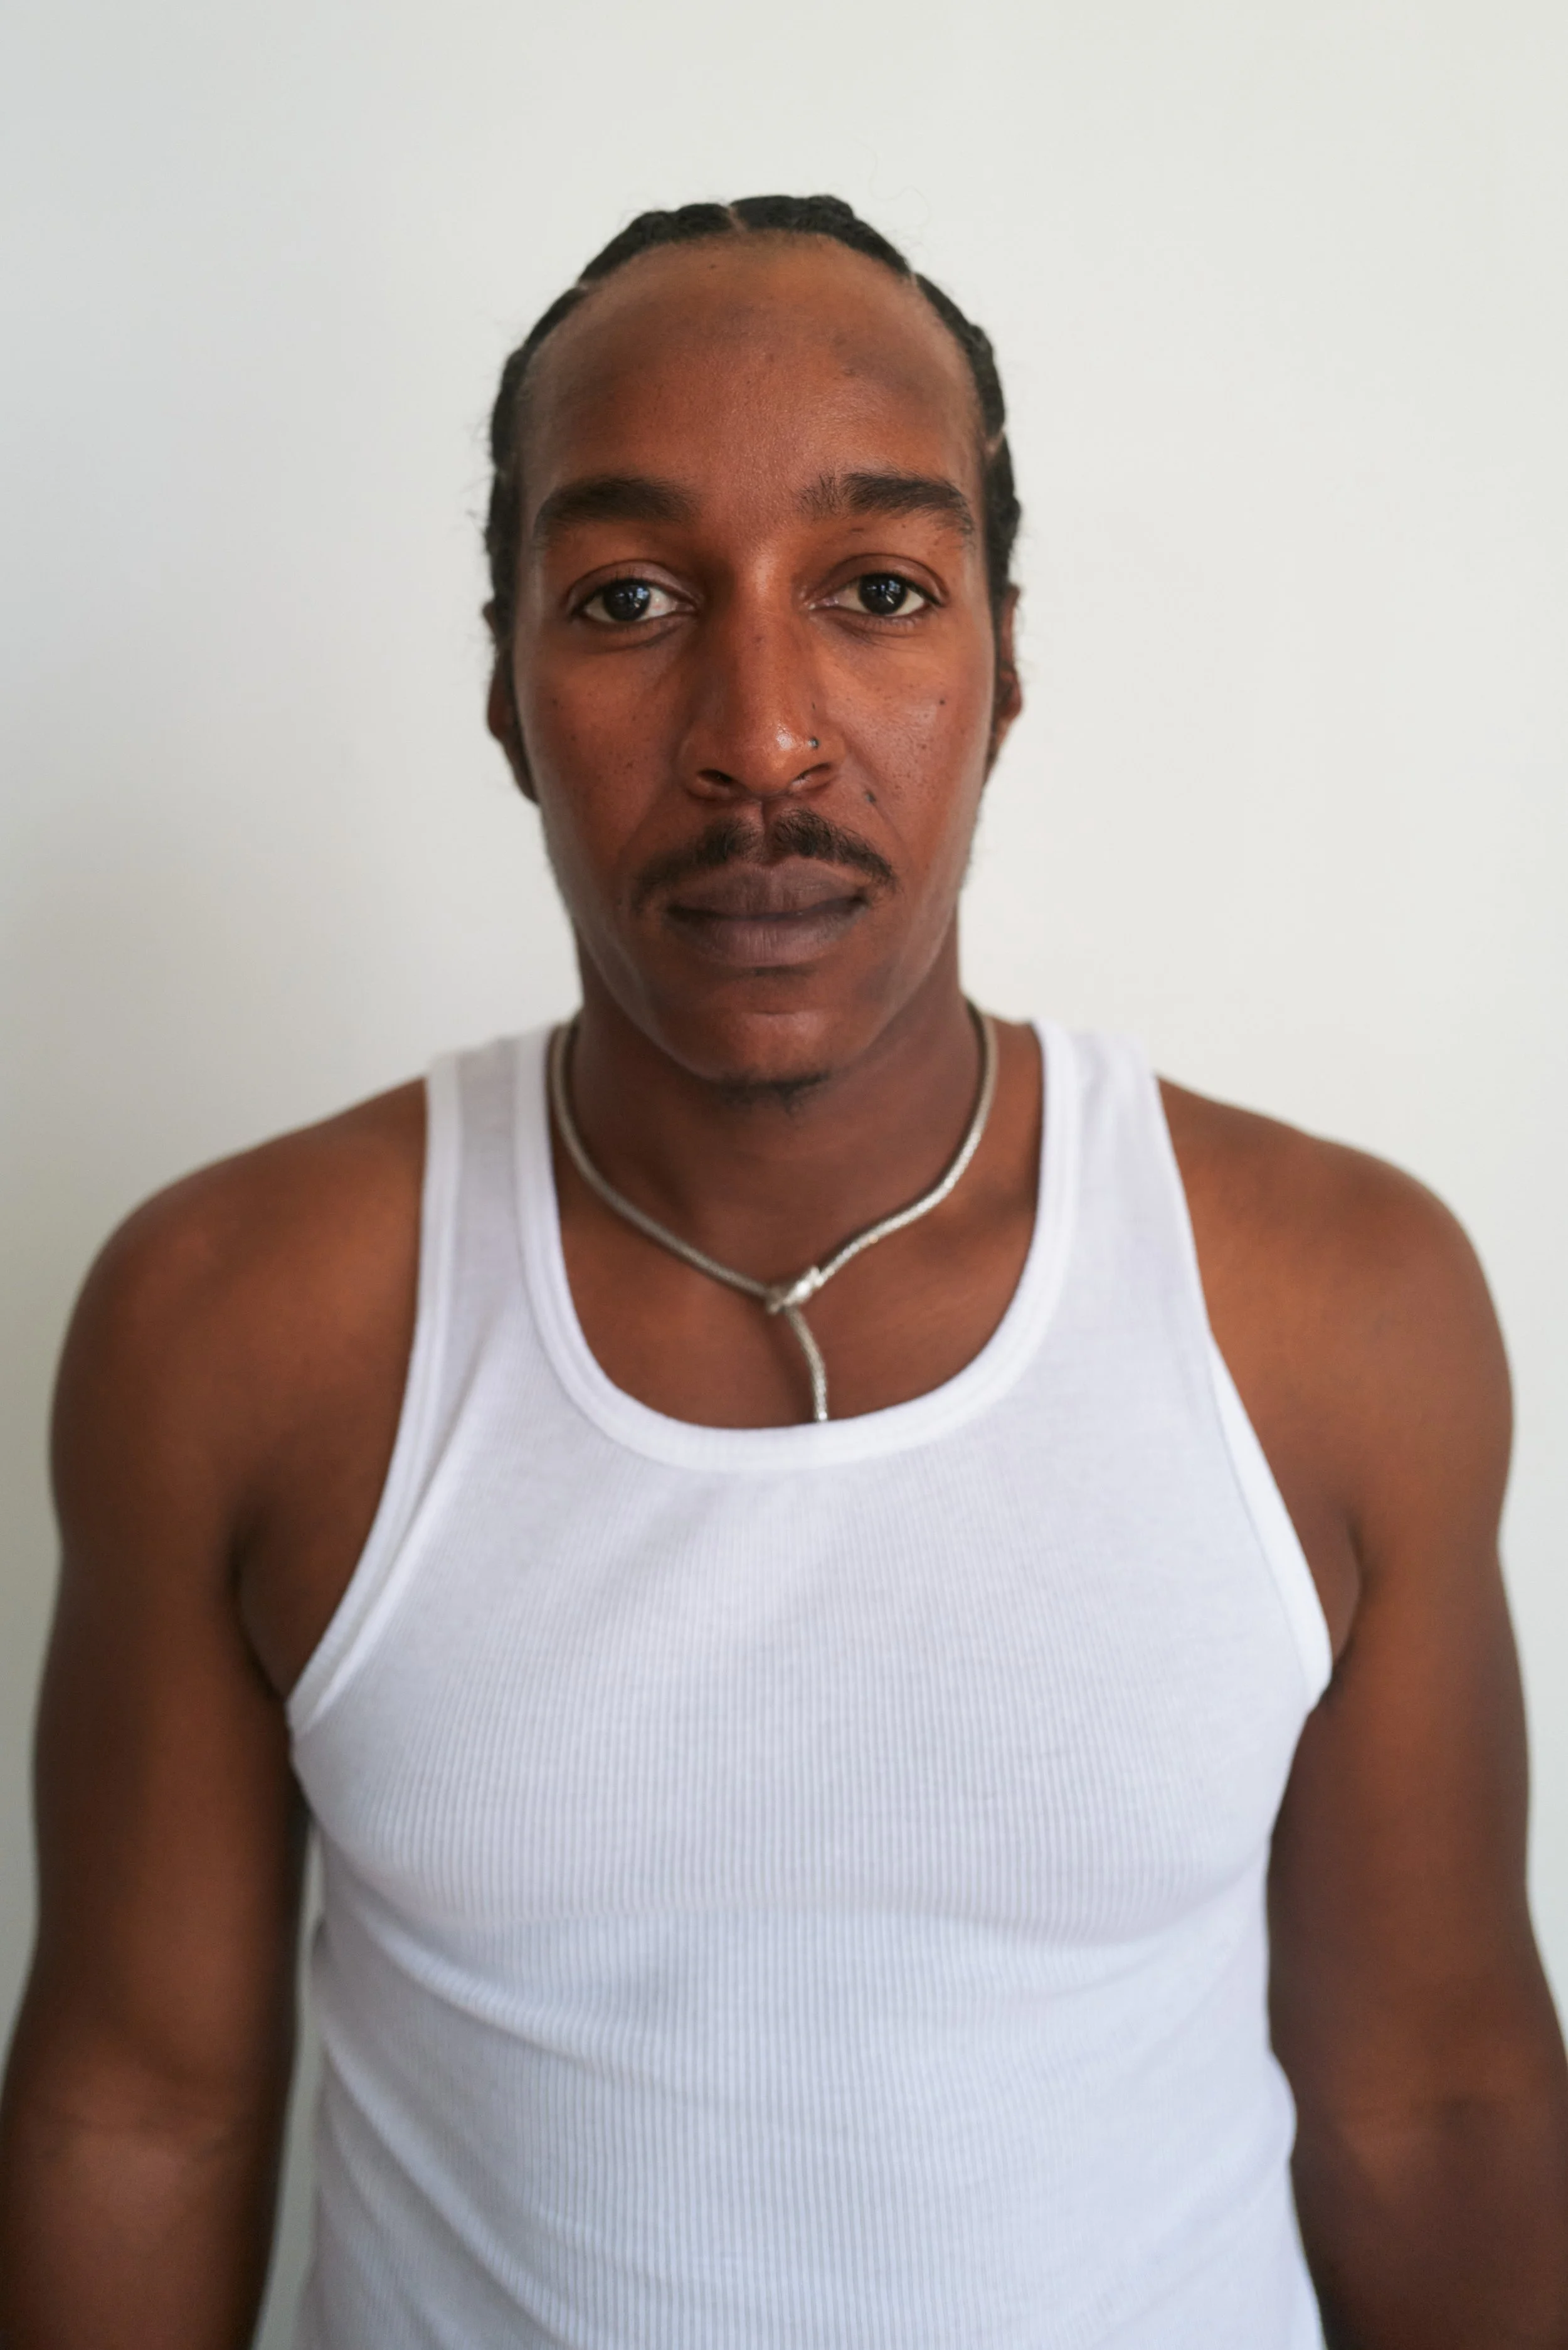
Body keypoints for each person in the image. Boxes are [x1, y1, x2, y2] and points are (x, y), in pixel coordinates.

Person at [1, 191, 1565, 2350]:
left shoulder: (1334, 1307)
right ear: (502, 686)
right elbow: (137, 2113)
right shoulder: (237, 1319)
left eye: (876, 591)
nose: (760, 735)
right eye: (629, 595)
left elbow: (1439, 2105)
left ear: (1002, 666)